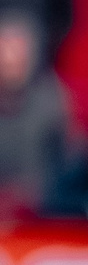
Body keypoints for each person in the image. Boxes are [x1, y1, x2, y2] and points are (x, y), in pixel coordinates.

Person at [0, 11, 71, 210]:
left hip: (41, 209)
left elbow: (62, 160)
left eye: (17, 53)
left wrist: (34, 192)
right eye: (5, 53)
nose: (11, 62)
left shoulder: (50, 100)